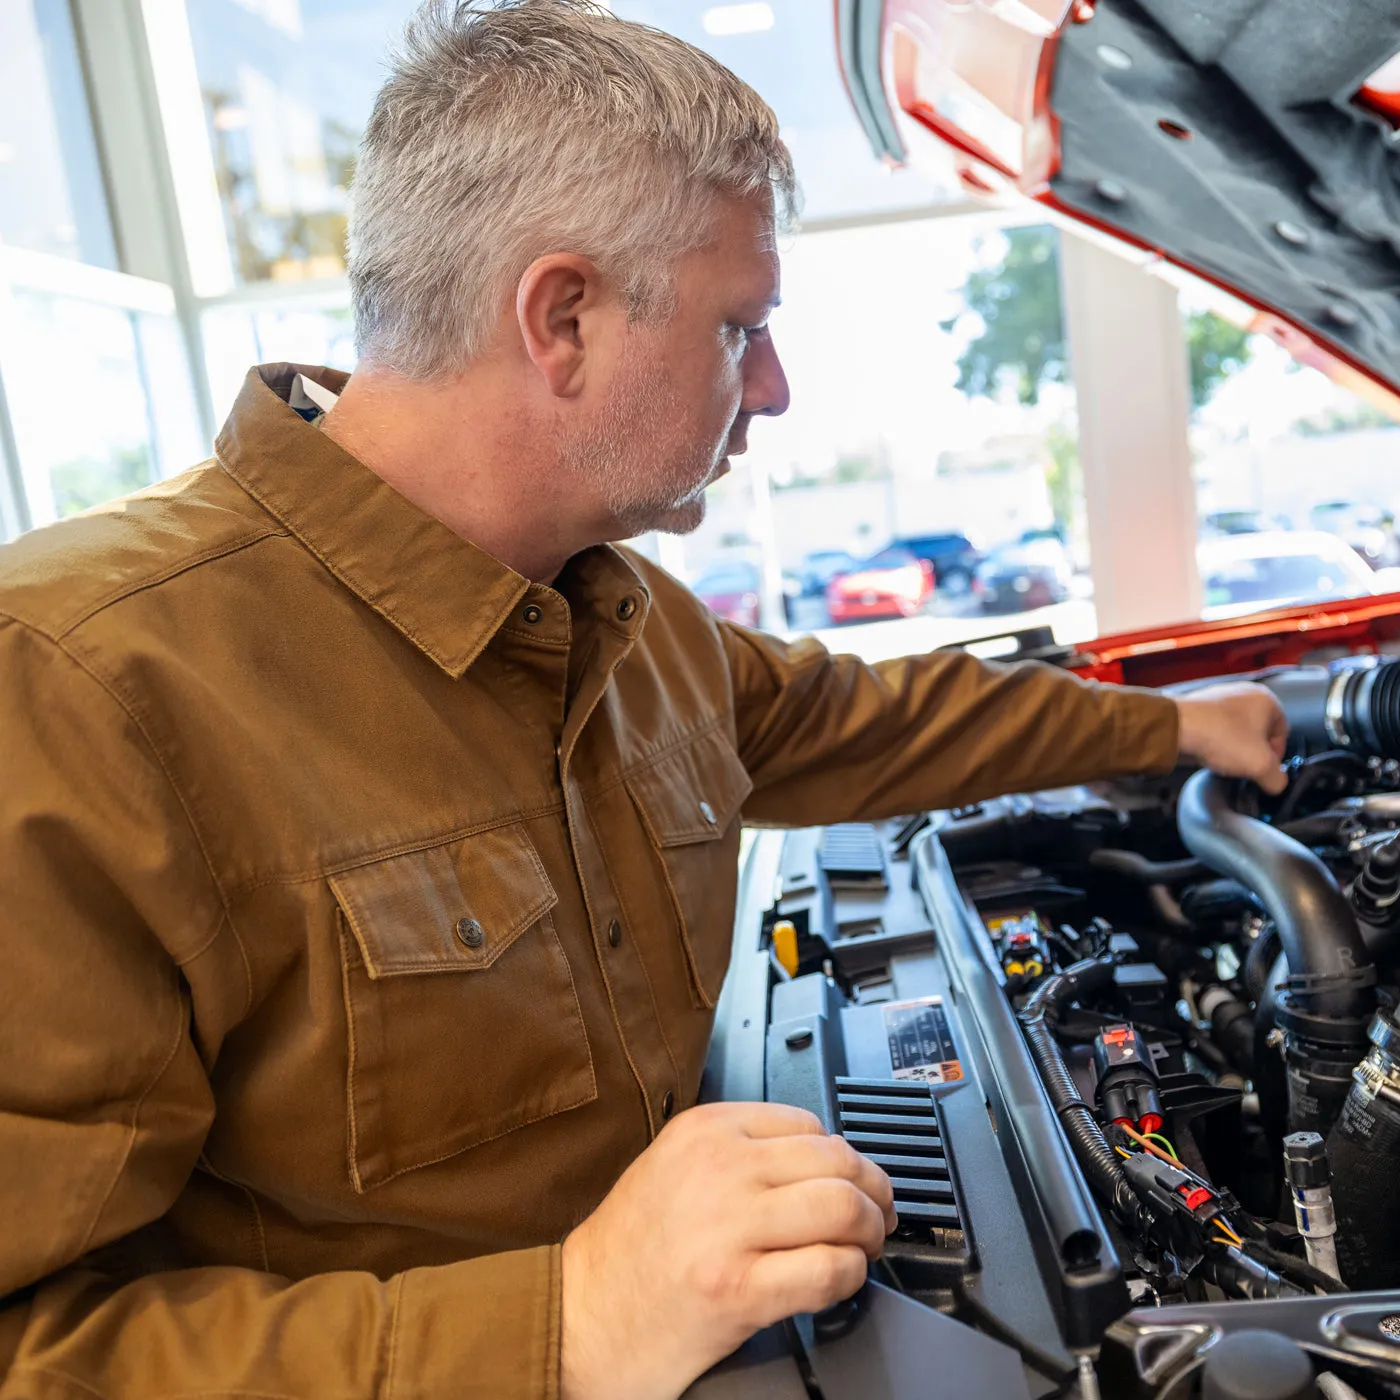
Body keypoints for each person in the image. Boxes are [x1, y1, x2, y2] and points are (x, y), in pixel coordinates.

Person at [0, 3, 1287, 1398]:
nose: (778, 390)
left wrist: (1169, 726)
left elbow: (870, 720)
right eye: (746, 328)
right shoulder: (76, 689)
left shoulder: (620, 616)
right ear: (561, 319)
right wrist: (570, 1321)